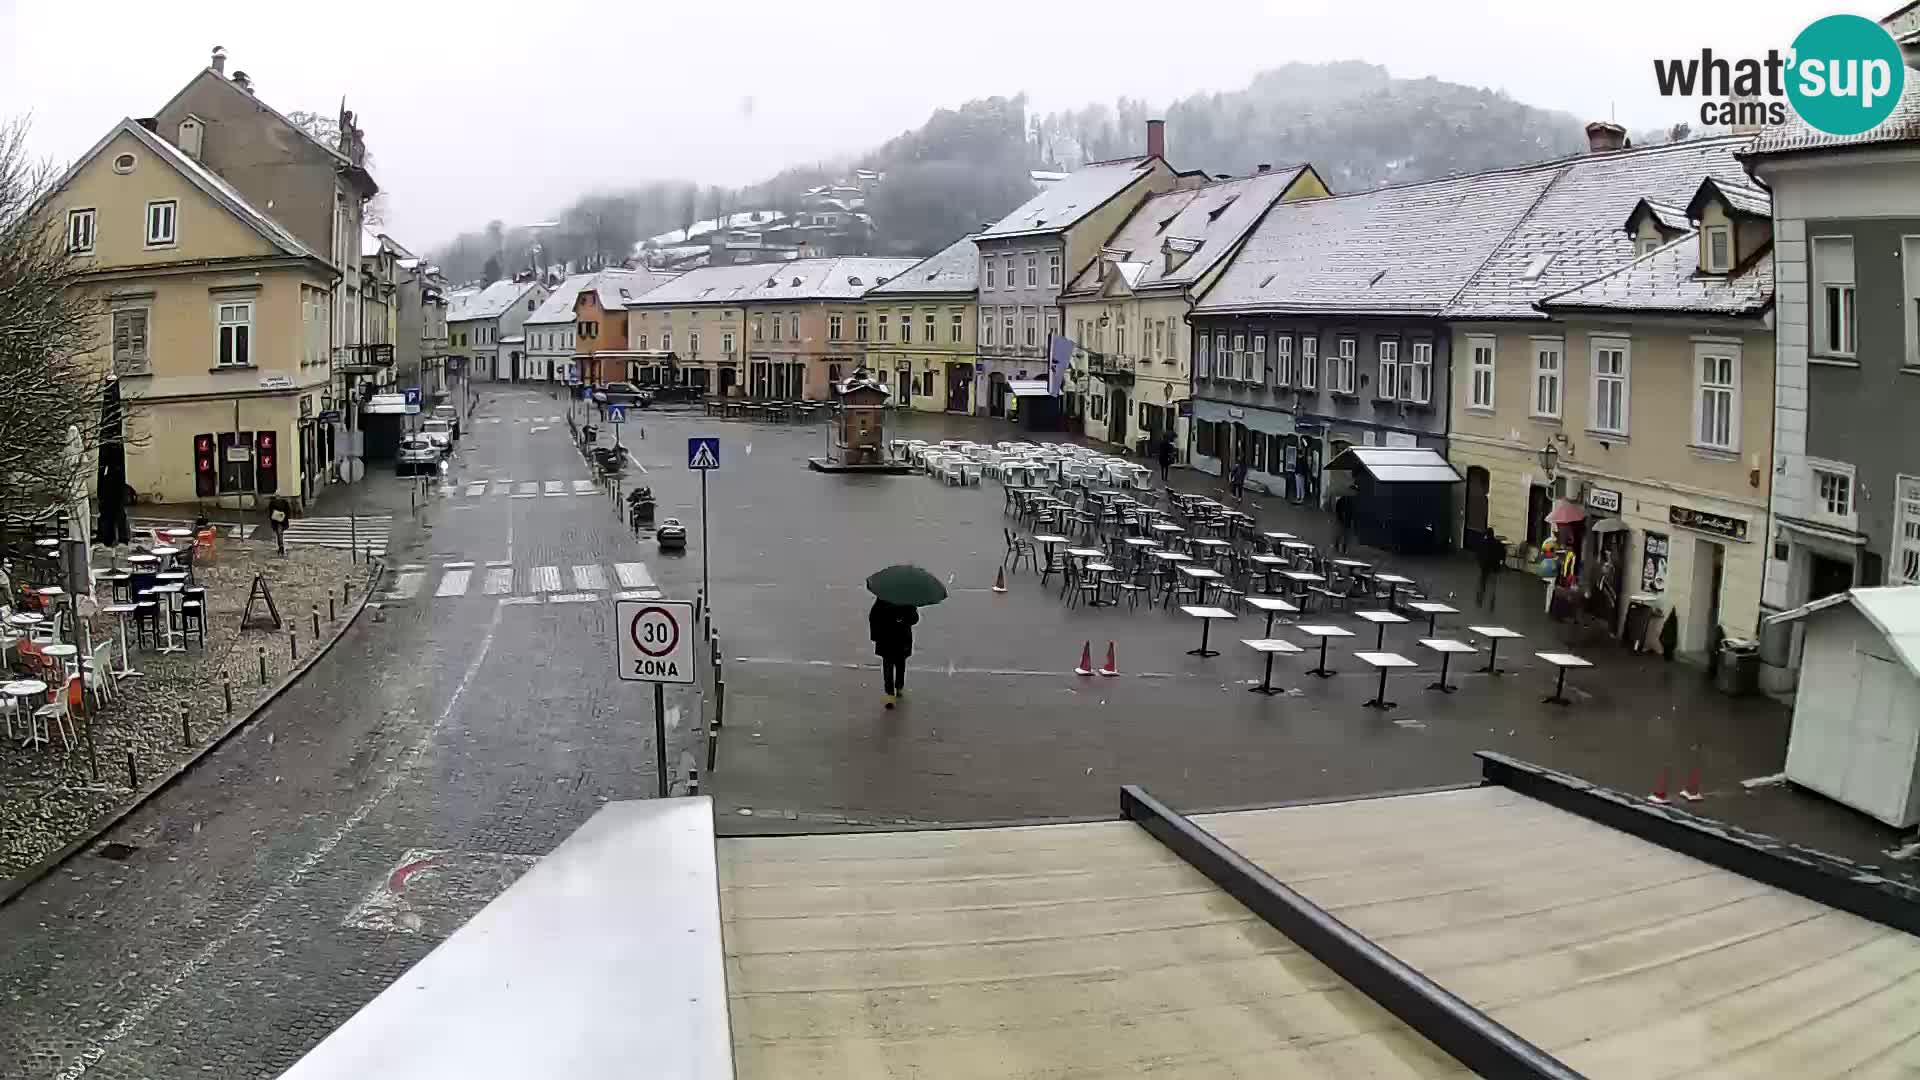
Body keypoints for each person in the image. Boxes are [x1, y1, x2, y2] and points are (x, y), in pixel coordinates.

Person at [869, 598, 919, 708]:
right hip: (892, 639)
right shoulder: (904, 600)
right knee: (892, 666)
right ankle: (892, 692)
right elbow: (873, 617)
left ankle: (896, 689)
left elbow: (914, 619)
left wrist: (903, 619)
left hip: (894, 639)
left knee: (896, 665)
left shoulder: (883, 599)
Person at [1475, 532, 1504, 610]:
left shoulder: (1483, 543)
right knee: (1492, 586)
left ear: (1487, 535)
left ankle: (1480, 599)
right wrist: (1500, 564)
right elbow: (1502, 555)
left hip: (1485, 568)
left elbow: (1478, 555)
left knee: (1482, 584)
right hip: (1494, 568)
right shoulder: (1498, 543)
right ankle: (1491, 601)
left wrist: (1481, 564)